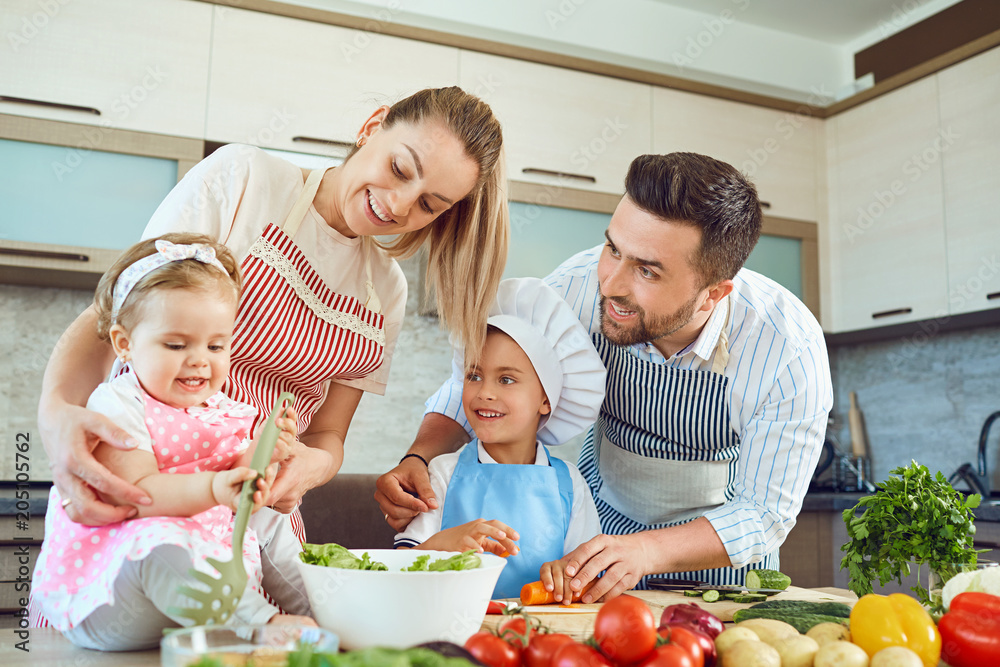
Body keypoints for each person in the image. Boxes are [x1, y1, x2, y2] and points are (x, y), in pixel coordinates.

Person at [36, 87, 508, 536]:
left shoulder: (386, 290)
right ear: (372, 126)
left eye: (429, 204)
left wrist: (312, 466)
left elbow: (326, 433)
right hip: (149, 474)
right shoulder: (244, 179)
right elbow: (116, 316)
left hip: (256, 511)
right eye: (400, 168)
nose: (400, 204)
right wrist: (56, 414)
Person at [377, 152, 833, 604]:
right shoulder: (575, 290)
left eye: (647, 270)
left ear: (713, 294)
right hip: (600, 537)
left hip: (719, 570)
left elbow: (763, 514)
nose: (612, 283)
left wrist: (647, 551)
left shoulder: (787, 350)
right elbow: (479, 382)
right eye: (613, 248)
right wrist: (419, 457)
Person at [33, 235, 314, 650]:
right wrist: (215, 489)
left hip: (182, 601)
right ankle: (261, 623)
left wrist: (262, 451)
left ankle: (332, 611)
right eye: (176, 345)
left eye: (216, 345)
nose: (200, 359)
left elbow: (235, 472)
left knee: (269, 522)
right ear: (124, 344)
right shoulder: (117, 403)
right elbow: (140, 493)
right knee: (162, 537)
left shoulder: (219, 407)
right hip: (114, 596)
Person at [393, 278, 605, 599]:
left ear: (545, 399)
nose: (485, 392)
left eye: (506, 379)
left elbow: (589, 576)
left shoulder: (570, 484)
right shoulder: (442, 473)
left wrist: (569, 576)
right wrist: (444, 545)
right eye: (474, 375)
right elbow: (399, 570)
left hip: (539, 639)